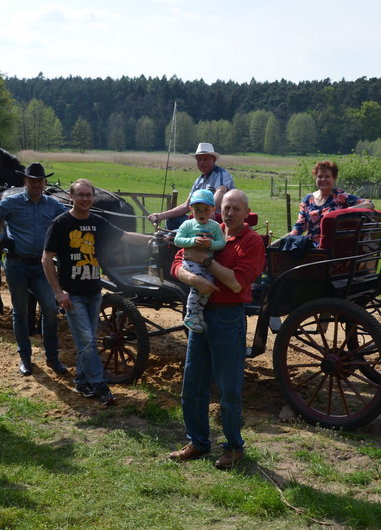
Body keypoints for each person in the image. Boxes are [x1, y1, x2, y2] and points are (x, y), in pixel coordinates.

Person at [167, 189, 264, 469]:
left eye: (236, 208)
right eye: (226, 208)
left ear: (247, 212)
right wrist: (194, 279)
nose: (230, 213)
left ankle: (234, 446)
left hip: (227, 317)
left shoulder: (251, 241)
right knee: (192, 383)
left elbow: (236, 283)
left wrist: (207, 261)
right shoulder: (209, 228)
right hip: (200, 315)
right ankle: (198, 441)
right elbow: (178, 262)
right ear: (218, 210)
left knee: (228, 386)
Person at [42, 179, 152, 404]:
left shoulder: (97, 221)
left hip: (93, 293)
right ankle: (100, 385)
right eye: (80, 195)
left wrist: (154, 238)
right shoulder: (60, 223)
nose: (85, 199)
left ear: (93, 197)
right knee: (88, 341)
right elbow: (46, 258)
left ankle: (82, 382)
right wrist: (58, 292)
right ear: (71, 197)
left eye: (88, 195)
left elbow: (126, 237)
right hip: (72, 295)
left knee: (88, 341)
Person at [0, 162, 69, 376]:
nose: (36, 185)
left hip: (41, 266)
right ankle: (25, 359)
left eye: (40, 181)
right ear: (25, 182)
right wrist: (0, 238)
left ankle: (52, 358)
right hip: (17, 264)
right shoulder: (12, 202)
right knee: (20, 313)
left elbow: (68, 219)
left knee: (50, 309)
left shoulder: (52, 204)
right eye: (32, 181)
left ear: (45, 182)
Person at [174, 189, 230, 332]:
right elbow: (177, 240)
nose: (202, 213)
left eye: (206, 209)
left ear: (213, 210)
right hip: (191, 262)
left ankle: (199, 311)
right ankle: (190, 315)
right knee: (198, 284)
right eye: (198, 209)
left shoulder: (215, 226)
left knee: (209, 286)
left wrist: (210, 244)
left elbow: (221, 243)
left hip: (208, 263)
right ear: (192, 209)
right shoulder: (188, 225)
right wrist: (192, 241)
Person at [147, 142, 234, 230]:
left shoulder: (221, 174)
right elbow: (186, 206)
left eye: (205, 159)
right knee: (171, 220)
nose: (202, 162)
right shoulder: (198, 181)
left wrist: (210, 210)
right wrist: (161, 215)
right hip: (199, 220)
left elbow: (220, 191)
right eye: (199, 160)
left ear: (213, 160)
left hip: (217, 220)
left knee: (178, 232)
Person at [288, 160, 374, 246]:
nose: (323, 179)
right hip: (310, 246)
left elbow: (369, 204)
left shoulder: (341, 197)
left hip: (333, 246)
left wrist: (347, 211)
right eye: (320, 176)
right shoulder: (307, 200)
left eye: (327, 176)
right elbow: (299, 225)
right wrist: (288, 239)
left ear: (334, 178)